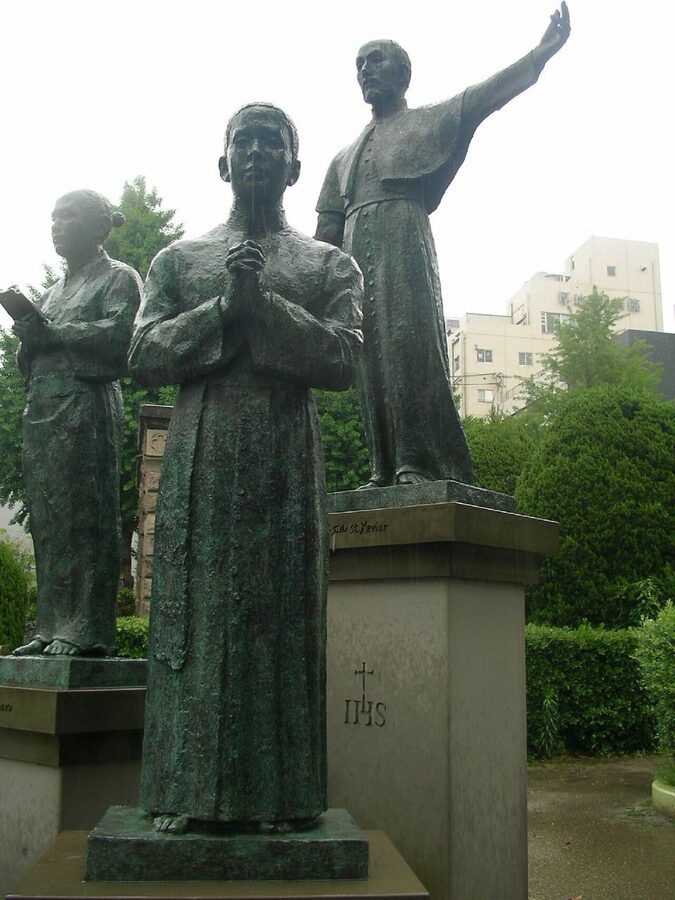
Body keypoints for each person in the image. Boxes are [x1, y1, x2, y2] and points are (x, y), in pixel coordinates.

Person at [129, 103, 363, 834]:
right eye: (244, 142)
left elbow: (345, 359)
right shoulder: (178, 260)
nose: (257, 153)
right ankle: (181, 790)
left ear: (294, 167)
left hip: (283, 463)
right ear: (223, 161)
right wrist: (221, 310)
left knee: (278, 619)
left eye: (274, 143)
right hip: (201, 451)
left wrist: (264, 306)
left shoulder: (328, 264)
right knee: (192, 618)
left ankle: (282, 799)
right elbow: (141, 356)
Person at [316, 5, 571, 488]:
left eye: (376, 60)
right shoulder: (342, 156)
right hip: (355, 259)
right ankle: (382, 467)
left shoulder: (426, 122)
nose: (365, 70)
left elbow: (482, 98)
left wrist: (537, 58)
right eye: (359, 65)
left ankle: (418, 461)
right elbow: (323, 238)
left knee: (409, 349)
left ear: (403, 74)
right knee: (368, 359)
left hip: (403, 241)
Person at [12, 190, 141, 656]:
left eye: (68, 217)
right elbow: (31, 363)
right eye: (53, 217)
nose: (57, 225)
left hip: (86, 407)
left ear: (98, 228)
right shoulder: (50, 293)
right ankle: (50, 625)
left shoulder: (119, 279)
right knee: (49, 521)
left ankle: (85, 629)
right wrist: (29, 339)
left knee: (85, 517)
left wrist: (55, 333)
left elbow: (125, 337)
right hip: (43, 413)